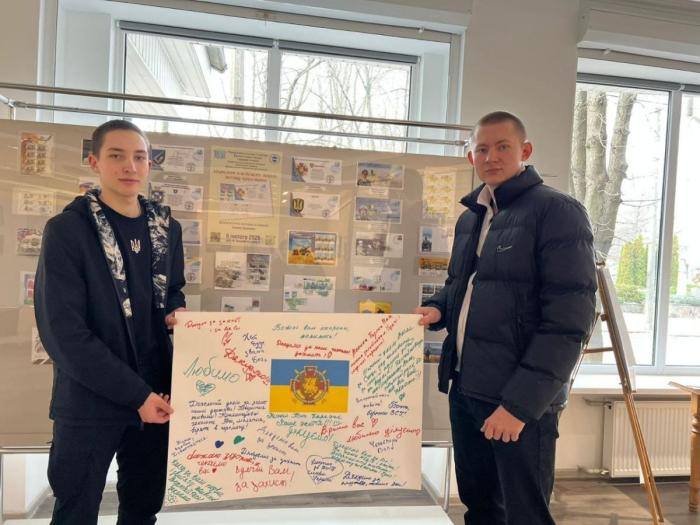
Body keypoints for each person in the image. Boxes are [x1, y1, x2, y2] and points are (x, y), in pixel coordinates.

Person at [415, 111, 596, 525]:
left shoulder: (557, 212)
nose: (491, 157)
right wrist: (439, 307)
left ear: (525, 151)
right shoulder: (471, 217)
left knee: (524, 514)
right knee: (480, 509)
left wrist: (518, 406)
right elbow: (463, 284)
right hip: (466, 390)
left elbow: (569, 323)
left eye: (502, 147)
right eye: (482, 149)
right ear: (470, 157)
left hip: (516, 402)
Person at [34, 119, 186, 525]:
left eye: (139, 157)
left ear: (149, 164)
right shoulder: (68, 231)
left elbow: (172, 291)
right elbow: (64, 333)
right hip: (90, 398)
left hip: (157, 395)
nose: (129, 166)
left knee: (142, 508)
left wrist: (176, 313)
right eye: (116, 155)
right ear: (94, 162)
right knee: (76, 511)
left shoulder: (166, 229)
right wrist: (134, 395)